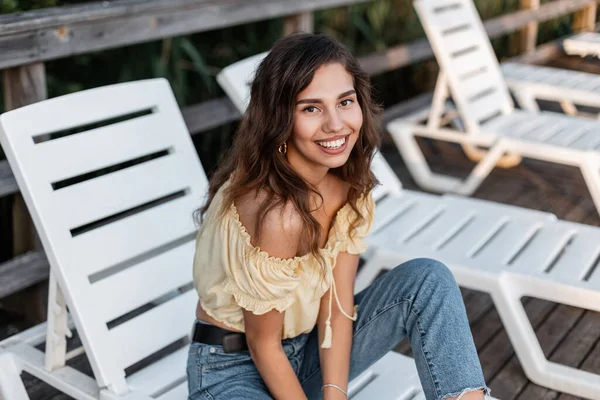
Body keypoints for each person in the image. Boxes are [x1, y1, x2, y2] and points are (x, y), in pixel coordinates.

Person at [187, 32, 490, 400]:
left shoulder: (348, 186)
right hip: (234, 369)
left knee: (428, 280)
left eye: (345, 102)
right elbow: (262, 345)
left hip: (307, 349)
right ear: (280, 119)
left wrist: (334, 393)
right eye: (311, 108)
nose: (335, 124)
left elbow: (337, 307)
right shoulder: (277, 213)